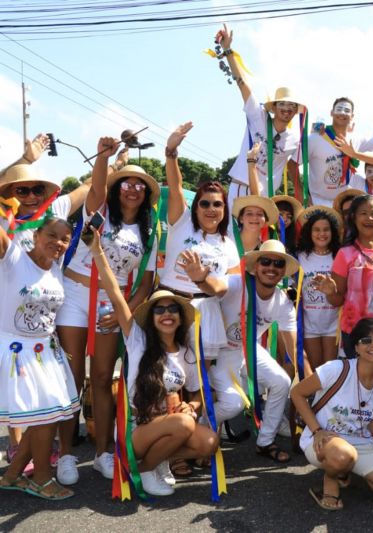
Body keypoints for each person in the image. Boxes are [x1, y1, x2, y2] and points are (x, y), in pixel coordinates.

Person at [56, 137, 159, 485]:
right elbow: (97, 186)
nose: (132, 189)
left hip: (110, 303)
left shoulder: (150, 231)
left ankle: (102, 453)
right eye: (126, 183)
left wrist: (124, 312)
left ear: (146, 194)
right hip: (73, 294)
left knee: (102, 377)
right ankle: (66, 453)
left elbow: (145, 283)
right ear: (117, 189)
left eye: (140, 185)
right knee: (71, 375)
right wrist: (103, 157)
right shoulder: (99, 210)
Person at [88, 231, 220, 496]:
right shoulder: (138, 340)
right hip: (136, 430)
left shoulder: (186, 352)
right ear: (151, 317)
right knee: (183, 425)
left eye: (172, 309)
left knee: (209, 442)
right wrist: (97, 252)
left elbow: (199, 393)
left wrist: (192, 406)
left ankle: (156, 461)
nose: (166, 314)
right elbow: (115, 294)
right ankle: (146, 469)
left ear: (180, 317)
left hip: (170, 425)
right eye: (159, 309)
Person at [313, 194, 373, 454]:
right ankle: (362, 440)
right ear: (353, 219)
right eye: (363, 213)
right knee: (361, 388)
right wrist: (330, 291)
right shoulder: (345, 254)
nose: (369, 218)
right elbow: (337, 299)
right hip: (357, 334)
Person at [191, 240, 298, 462]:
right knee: (233, 404)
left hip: (246, 350)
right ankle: (197, 430)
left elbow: (292, 346)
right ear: (255, 266)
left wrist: (306, 376)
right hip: (217, 353)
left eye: (278, 264)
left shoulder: (283, 302)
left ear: (283, 272)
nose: (271, 267)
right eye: (265, 261)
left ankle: (265, 441)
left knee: (281, 381)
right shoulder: (236, 283)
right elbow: (214, 287)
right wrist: (201, 279)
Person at [291, 317, 373, 510]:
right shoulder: (336, 369)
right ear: (356, 347)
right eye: (366, 340)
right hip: (324, 439)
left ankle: (347, 470)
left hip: (361, 442)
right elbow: (297, 393)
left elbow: (371, 408)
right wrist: (316, 431)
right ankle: (330, 480)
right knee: (343, 456)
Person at [0, 217, 79, 500]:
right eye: (52, 235)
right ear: (36, 235)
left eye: (65, 239)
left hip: (46, 351)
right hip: (17, 352)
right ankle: (42, 479)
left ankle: (12, 475)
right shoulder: (13, 258)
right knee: (45, 418)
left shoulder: (56, 268)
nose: (58, 242)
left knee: (47, 416)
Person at [160, 122, 239, 362]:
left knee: (200, 375)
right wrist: (171, 153)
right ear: (195, 208)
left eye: (217, 204)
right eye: (204, 203)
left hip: (206, 312)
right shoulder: (182, 221)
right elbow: (176, 188)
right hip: (169, 304)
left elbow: (227, 287)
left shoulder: (229, 245)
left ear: (224, 210)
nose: (210, 209)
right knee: (166, 371)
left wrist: (202, 280)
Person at [216, 24, 304, 205]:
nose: (286, 109)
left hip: (265, 196)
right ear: (273, 108)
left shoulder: (295, 140)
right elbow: (242, 83)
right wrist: (228, 50)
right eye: (282, 104)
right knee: (234, 225)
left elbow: (299, 164)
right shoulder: (258, 116)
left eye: (291, 106)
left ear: (296, 111)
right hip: (241, 187)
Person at [307, 95, 373, 206]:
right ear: (331, 113)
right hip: (317, 202)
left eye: (347, 110)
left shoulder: (355, 139)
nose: (342, 113)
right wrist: (303, 196)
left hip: (344, 203)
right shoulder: (316, 138)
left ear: (352, 116)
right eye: (339, 109)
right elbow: (293, 164)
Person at [296, 206, 343, 369]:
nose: (321, 234)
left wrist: (331, 291)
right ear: (309, 232)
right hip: (309, 325)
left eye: (326, 229)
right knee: (316, 371)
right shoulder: (300, 257)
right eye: (316, 230)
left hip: (333, 324)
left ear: (332, 232)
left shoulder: (340, 256)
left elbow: (342, 294)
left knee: (330, 370)